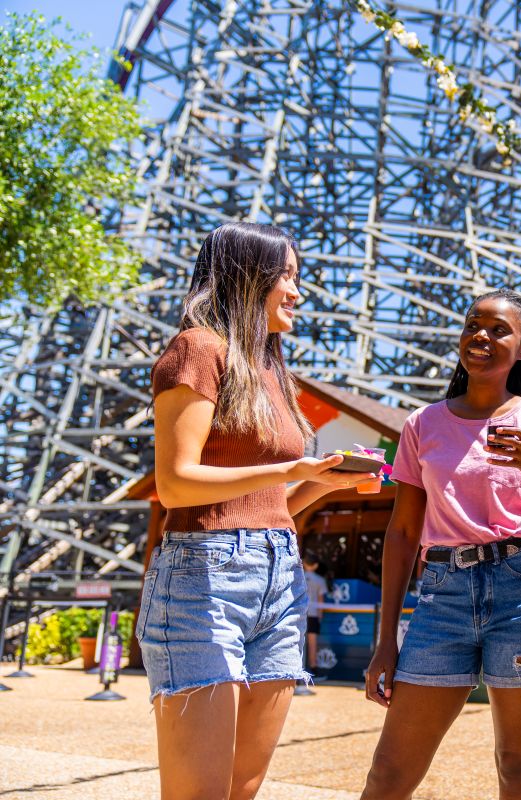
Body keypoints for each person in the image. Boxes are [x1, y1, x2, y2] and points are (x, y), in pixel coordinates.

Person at [140, 221, 378, 800]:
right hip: (203, 577)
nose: (297, 292)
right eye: (287, 276)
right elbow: (175, 484)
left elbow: (274, 507)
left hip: (279, 575)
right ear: (249, 278)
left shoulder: (271, 366)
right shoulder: (198, 348)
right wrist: (291, 468)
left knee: (241, 789)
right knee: (199, 793)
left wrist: (327, 482)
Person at [360, 289, 521, 800]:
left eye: (499, 329)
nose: (481, 336)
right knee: (389, 773)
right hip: (442, 595)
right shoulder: (422, 424)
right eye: (472, 325)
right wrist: (386, 638)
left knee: (518, 767)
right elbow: (403, 532)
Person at [302, 554, 330, 672]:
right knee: (312, 642)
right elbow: (320, 600)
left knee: (297, 641)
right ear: (316, 566)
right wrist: (320, 616)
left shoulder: (298, 577)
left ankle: (298, 668)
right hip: (313, 614)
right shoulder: (320, 580)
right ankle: (313, 667)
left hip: (299, 614)